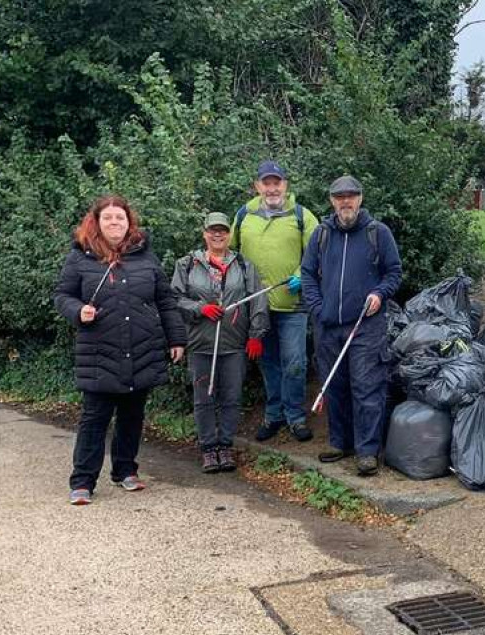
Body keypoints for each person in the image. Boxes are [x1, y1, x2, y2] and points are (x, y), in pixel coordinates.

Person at [53, 195, 187, 505]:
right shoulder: (80, 258)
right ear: (97, 222)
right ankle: (83, 480)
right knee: (94, 418)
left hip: (142, 348)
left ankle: (125, 470)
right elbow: (62, 295)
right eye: (109, 218)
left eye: (121, 218)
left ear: (129, 223)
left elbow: (165, 301)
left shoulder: (145, 257)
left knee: (132, 415)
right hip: (99, 351)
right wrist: (77, 310)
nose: (115, 222)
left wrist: (176, 339)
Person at [301, 175, 402, 476]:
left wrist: (379, 294)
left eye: (351, 196)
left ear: (360, 199)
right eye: (339, 196)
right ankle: (339, 442)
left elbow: (394, 272)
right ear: (332, 201)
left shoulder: (378, 233)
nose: (345, 201)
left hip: (366, 326)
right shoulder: (321, 235)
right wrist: (318, 309)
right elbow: (307, 275)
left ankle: (367, 450)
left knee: (367, 387)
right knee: (334, 385)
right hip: (328, 326)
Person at [171, 212, 269, 473]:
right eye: (213, 230)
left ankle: (225, 446)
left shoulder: (244, 266)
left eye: (223, 231)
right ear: (204, 233)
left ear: (229, 234)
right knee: (203, 398)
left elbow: (258, 301)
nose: (218, 235)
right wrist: (200, 308)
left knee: (232, 398)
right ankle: (208, 448)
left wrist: (256, 335)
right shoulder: (187, 265)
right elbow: (175, 299)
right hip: (201, 343)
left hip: (234, 344)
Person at [231, 161, 318, 442]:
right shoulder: (244, 215)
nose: (272, 188)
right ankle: (274, 414)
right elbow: (229, 254)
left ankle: (296, 417)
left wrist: (301, 277)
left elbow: (318, 254)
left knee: (295, 362)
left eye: (276, 182)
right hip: (257, 308)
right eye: (266, 183)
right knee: (268, 363)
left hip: (293, 306)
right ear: (257, 186)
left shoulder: (303, 216)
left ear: (285, 185)